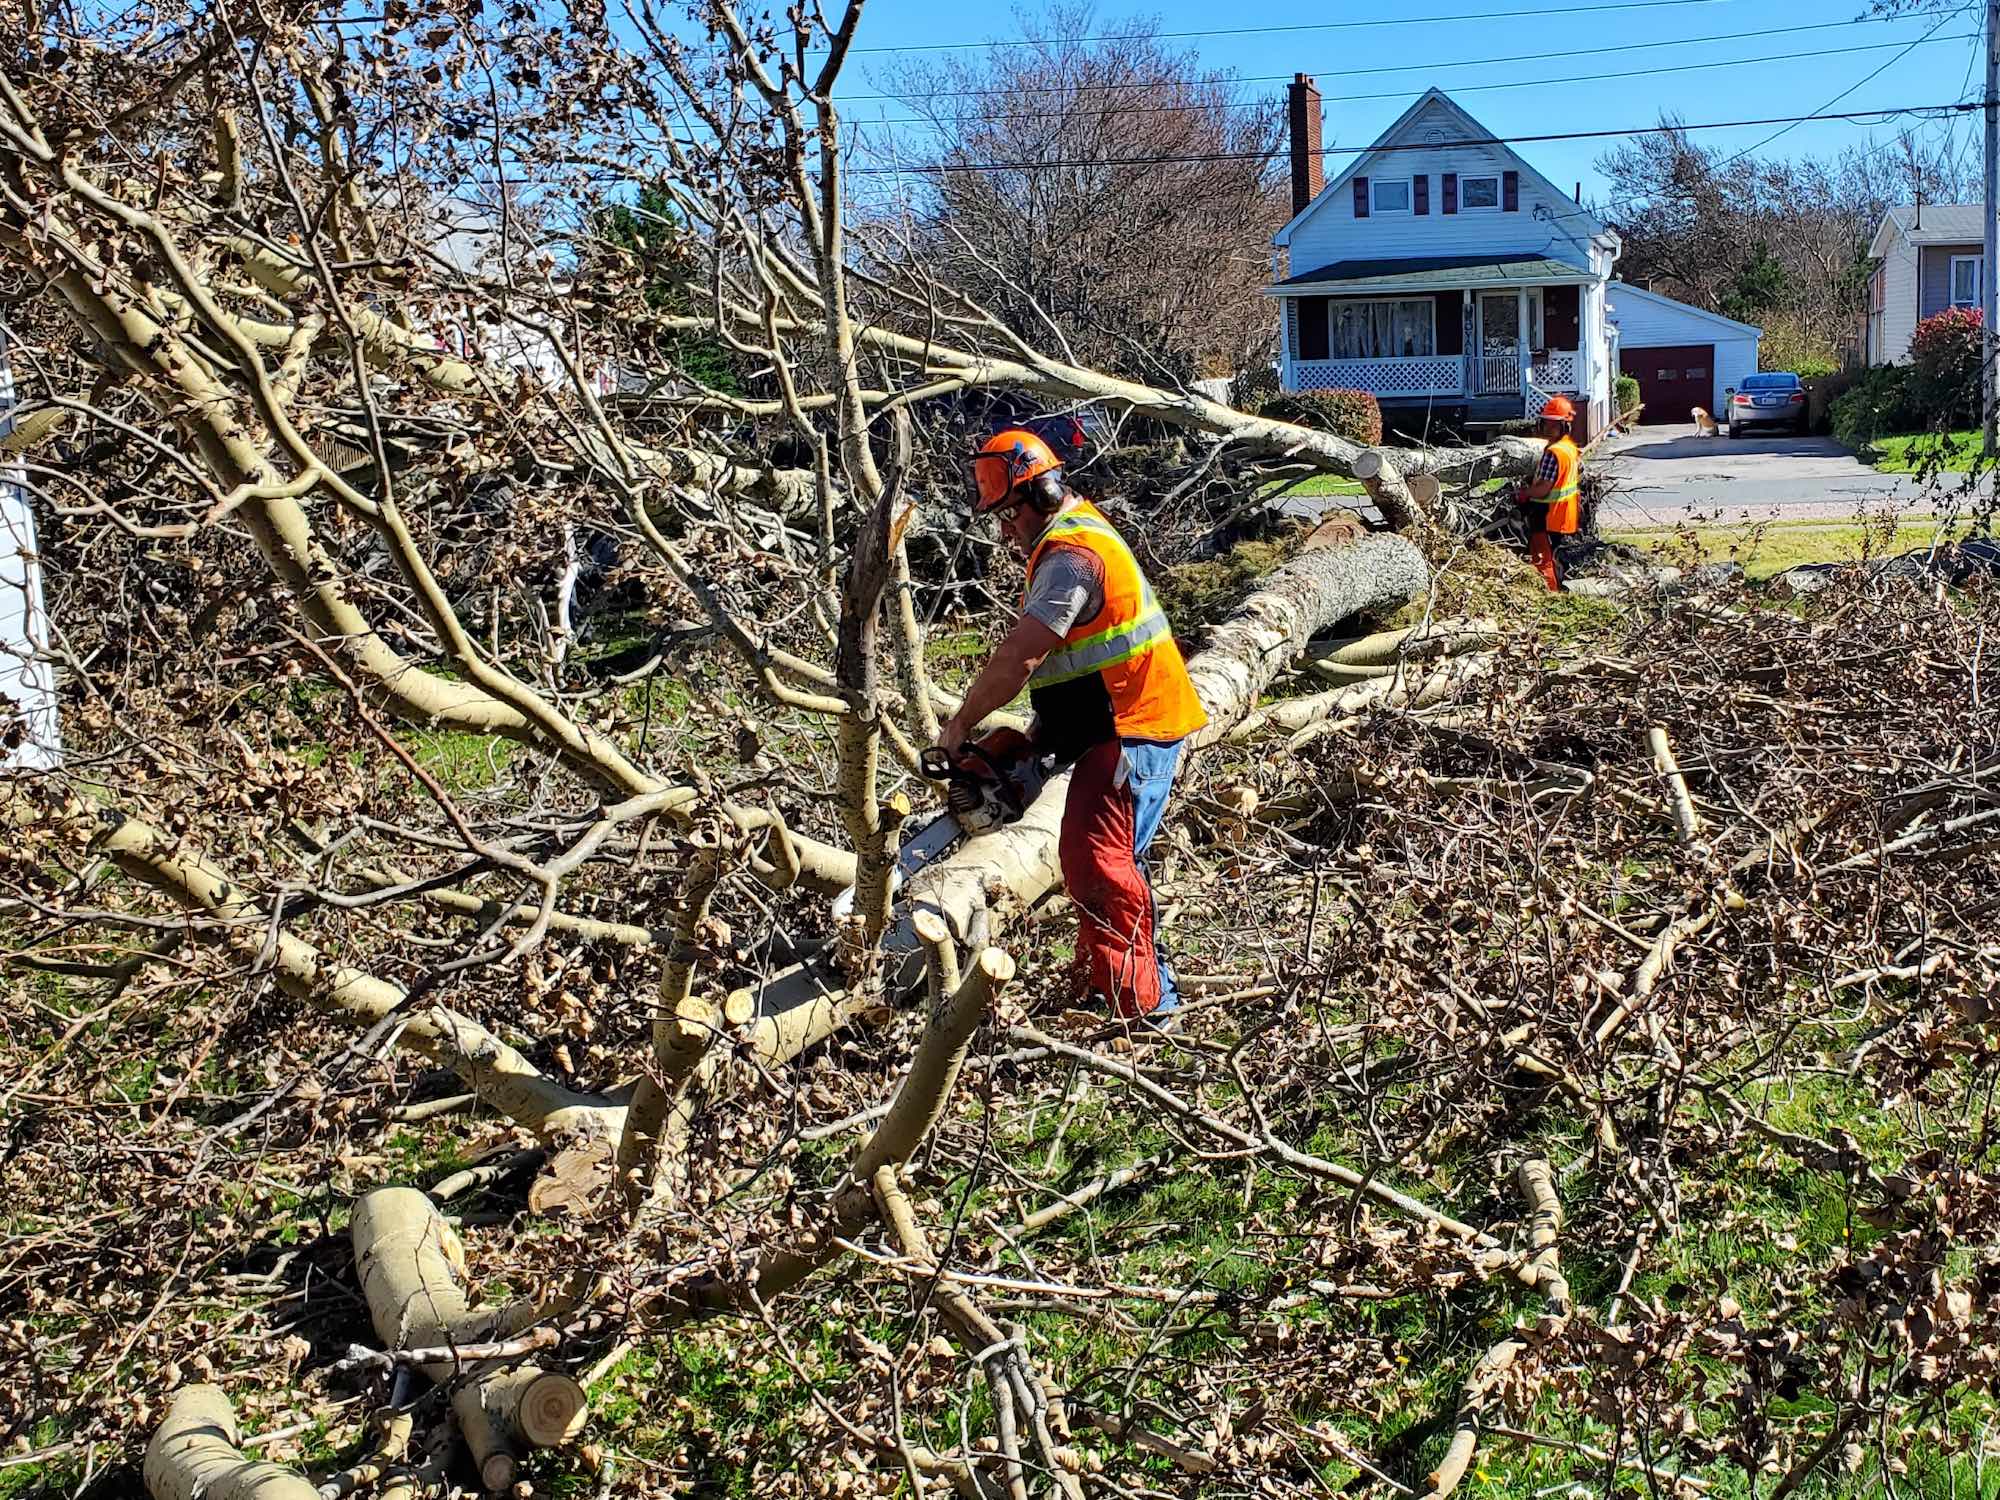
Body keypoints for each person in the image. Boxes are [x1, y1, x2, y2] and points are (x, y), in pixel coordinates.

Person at [936, 428, 1207, 1021]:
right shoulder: (1069, 540)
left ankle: (1144, 1006)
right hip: (1108, 717)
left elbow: (1023, 655)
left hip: (1136, 722)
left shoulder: (1071, 558)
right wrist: (1038, 743)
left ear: (1039, 491)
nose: (1004, 531)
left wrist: (962, 722)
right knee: (1093, 857)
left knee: (1096, 859)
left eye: (1007, 514)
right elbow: (1078, 665)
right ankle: (1111, 984)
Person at [1513, 395, 1582, 591]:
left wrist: (1524, 493)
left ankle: (1550, 594)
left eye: (1553, 425)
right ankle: (1559, 588)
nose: (1548, 430)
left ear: (1564, 427)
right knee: (1557, 557)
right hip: (1564, 515)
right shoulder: (1569, 448)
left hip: (1547, 514)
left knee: (1544, 559)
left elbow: (1543, 489)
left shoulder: (1554, 453)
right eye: (1547, 424)